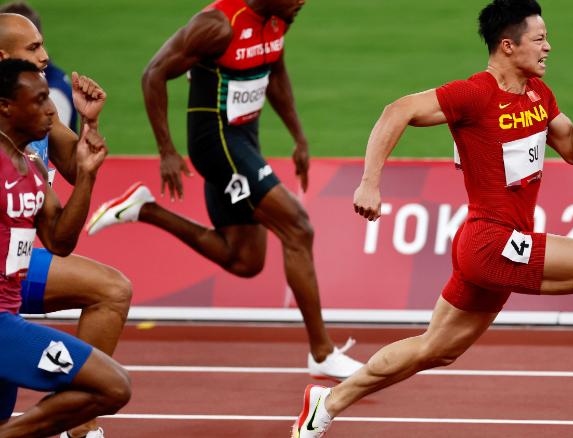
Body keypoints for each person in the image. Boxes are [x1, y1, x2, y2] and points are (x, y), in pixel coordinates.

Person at [292, 0, 573, 436]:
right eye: (539, 39)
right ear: (508, 46)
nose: (549, 47)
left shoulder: (538, 94)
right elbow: (396, 111)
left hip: (498, 244)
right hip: (489, 241)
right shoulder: (474, 94)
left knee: (434, 349)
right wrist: (369, 183)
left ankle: (327, 402)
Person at [86, 0, 361, 379]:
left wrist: (299, 136)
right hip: (215, 144)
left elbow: (275, 71)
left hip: (244, 142)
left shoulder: (279, 19)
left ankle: (145, 209)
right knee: (298, 228)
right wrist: (166, 150)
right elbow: (153, 73)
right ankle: (321, 352)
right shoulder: (217, 25)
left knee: (244, 261)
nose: (302, 1)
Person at [0, 12, 133, 438]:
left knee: (112, 290)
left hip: (12, 284)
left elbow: (59, 235)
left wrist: (90, 129)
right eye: (34, 48)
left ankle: (78, 423)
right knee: (110, 382)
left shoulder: (31, 151)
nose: (46, 55)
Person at [0, 2, 78, 132]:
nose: (45, 56)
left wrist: (90, 124)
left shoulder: (52, 94)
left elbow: (55, 143)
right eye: (33, 48)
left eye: (41, 45)